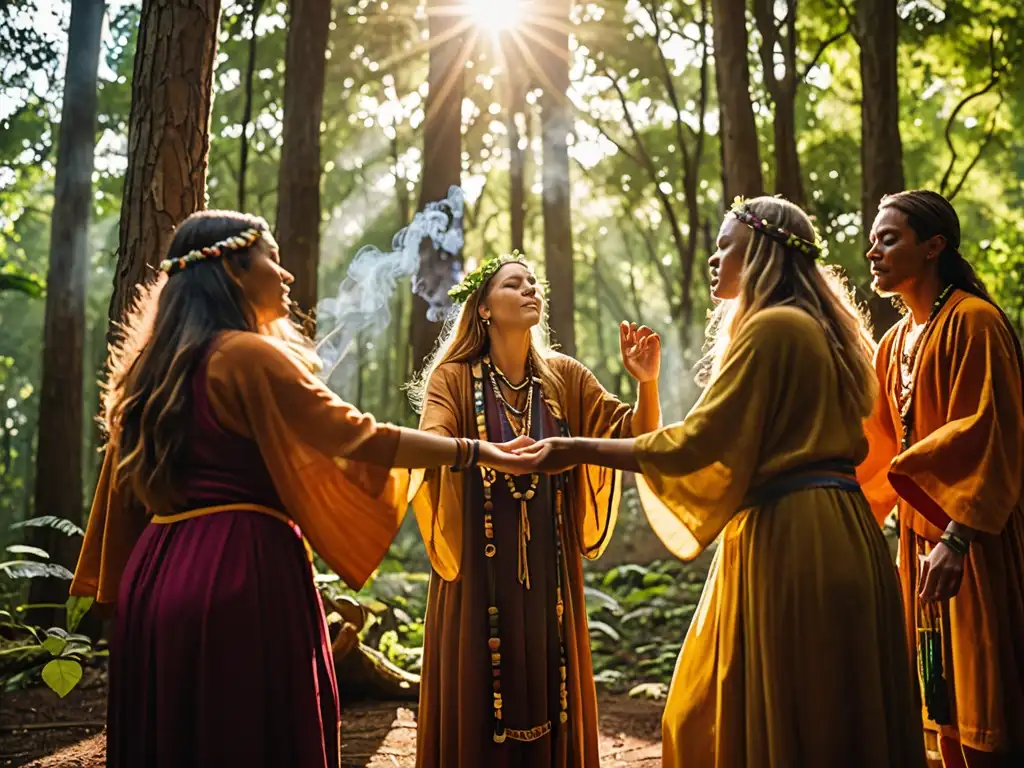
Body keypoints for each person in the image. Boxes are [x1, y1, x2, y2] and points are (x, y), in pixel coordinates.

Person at [69, 211, 534, 768]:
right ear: (235, 270)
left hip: (154, 583)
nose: (285, 276)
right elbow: (359, 436)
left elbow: (120, 496)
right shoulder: (245, 355)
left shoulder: (148, 369)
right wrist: (478, 450)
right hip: (240, 574)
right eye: (272, 258)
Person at [516, 197, 929, 767]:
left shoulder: (775, 328)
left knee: (748, 713)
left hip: (793, 538)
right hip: (838, 530)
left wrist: (572, 449)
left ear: (760, 251)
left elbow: (696, 444)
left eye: (725, 246)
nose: (714, 258)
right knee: (822, 710)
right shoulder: (822, 330)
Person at [407, 252, 662, 768]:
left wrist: (647, 383)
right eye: (513, 284)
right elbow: (426, 446)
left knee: (555, 683)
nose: (529, 290)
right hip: (477, 573)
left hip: (551, 569)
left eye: (533, 283)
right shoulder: (453, 378)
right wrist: (481, 453)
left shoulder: (565, 377)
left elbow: (637, 438)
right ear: (482, 309)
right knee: (482, 687)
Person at [858, 189, 1024, 767]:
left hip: (973, 540)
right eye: (872, 240)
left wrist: (957, 537)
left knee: (987, 699)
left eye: (888, 238)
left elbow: (991, 435)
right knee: (937, 698)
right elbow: (878, 449)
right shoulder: (891, 343)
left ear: (934, 246)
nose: (872, 251)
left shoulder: (974, 323)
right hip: (917, 545)